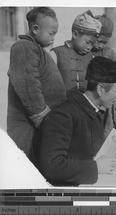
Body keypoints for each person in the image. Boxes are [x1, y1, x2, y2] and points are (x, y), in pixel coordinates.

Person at [39, 56, 116, 186]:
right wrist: (95, 167)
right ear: (100, 89)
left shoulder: (94, 112)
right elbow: (52, 166)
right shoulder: (63, 116)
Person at [7, 7, 66, 164]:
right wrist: (45, 120)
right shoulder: (24, 47)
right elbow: (28, 85)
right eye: (51, 33)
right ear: (35, 29)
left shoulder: (37, 49)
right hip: (29, 130)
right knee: (28, 172)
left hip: (40, 128)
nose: (54, 37)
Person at [50, 10, 102, 97]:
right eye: (87, 42)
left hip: (84, 106)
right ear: (75, 34)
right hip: (62, 105)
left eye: (92, 44)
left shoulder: (92, 58)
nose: (89, 47)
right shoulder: (56, 54)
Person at [92, 13, 116, 90]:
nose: (101, 46)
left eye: (104, 43)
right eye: (99, 41)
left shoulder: (109, 52)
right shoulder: (83, 50)